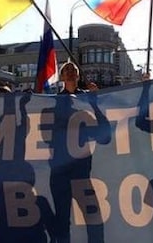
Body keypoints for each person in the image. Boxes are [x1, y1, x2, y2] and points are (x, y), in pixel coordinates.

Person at [46, 61, 110, 242]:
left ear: (78, 75)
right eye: (66, 70)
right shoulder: (54, 102)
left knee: (94, 221)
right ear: (61, 76)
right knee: (62, 221)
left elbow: (105, 136)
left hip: (81, 173)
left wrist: (96, 103)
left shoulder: (88, 100)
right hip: (60, 174)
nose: (70, 72)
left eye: (73, 69)